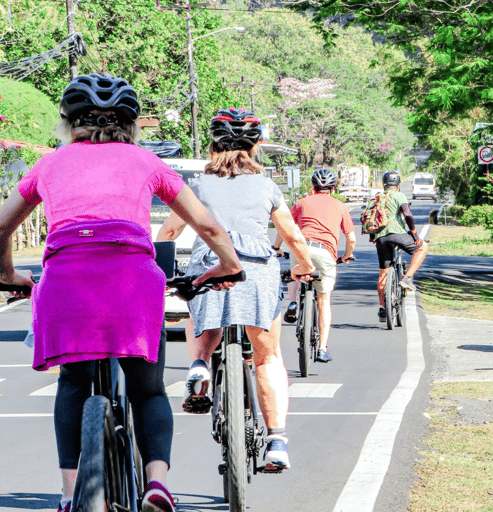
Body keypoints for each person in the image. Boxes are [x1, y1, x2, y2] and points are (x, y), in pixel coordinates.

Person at [0, 73, 243, 512]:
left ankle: (71, 494)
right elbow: (205, 224)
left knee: (73, 382)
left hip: (66, 278)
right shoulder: (146, 162)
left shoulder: (50, 164)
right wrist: (229, 265)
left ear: (69, 123)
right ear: (130, 125)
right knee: (147, 389)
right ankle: (157, 485)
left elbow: (1, 227)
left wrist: (8, 275)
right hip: (132, 278)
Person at [156, 107, 315, 471]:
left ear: (213, 145)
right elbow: (290, 234)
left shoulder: (195, 187)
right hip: (256, 271)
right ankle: (276, 442)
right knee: (267, 356)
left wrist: (162, 270)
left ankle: (198, 365)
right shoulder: (266, 186)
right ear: (256, 146)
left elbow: (167, 234)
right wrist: (304, 265)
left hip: (208, 266)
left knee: (199, 310)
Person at [272, 168, 356, 363]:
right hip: (325, 253)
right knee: (323, 300)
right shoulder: (340, 205)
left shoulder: (301, 203)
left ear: (313, 188)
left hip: (301, 247)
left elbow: (285, 227)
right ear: (333, 188)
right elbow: (351, 238)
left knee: (296, 270)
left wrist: (276, 247)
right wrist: (346, 256)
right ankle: (321, 348)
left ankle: (293, 302)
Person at [373, 171, 429, 322]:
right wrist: (414, 233)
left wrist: (374, 235)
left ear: (384, 185)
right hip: (398, 234)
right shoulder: (399, 196)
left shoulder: (377, 197)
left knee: (384, 271)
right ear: (397, 186)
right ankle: (407, 278)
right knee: (422, 247)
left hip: (381, 238)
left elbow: (370, 217)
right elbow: (407, 214)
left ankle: (383, 308)